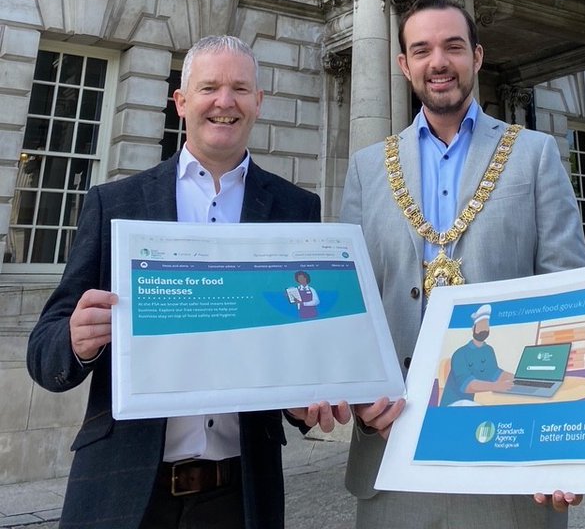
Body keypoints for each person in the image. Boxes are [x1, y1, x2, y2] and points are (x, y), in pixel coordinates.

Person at [27, 35, 350, 529]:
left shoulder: (296, 208)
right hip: (124, 488)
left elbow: (300, 343)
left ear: (259, 102)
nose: (225, 102)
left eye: (240, 88)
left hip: (240, 495)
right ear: (181, 102)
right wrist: (75, 340)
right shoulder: (115, 204)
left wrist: (305, 401)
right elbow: (43, 351)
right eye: (209, 88)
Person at [342, 0, 585, 528]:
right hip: (394, 450)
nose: (439, 62)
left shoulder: (535, 154)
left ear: (476, 56)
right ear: (404, 64)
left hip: (511, 455)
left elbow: (567, 296)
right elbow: (352, 306)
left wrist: (562, 433)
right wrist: (361, 396)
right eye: (422, 50)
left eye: (453, 47)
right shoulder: (366, 168)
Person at [440, 302, 513, 405]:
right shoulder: (460, 354)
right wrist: (496, 386)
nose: (483, 328)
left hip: (474, 401)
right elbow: (467, 385)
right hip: (455, 404)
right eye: (480, 325)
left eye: (486, 325)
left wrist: (518, 379)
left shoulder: (488, 350)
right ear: (473, 328)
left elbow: (496, 373)